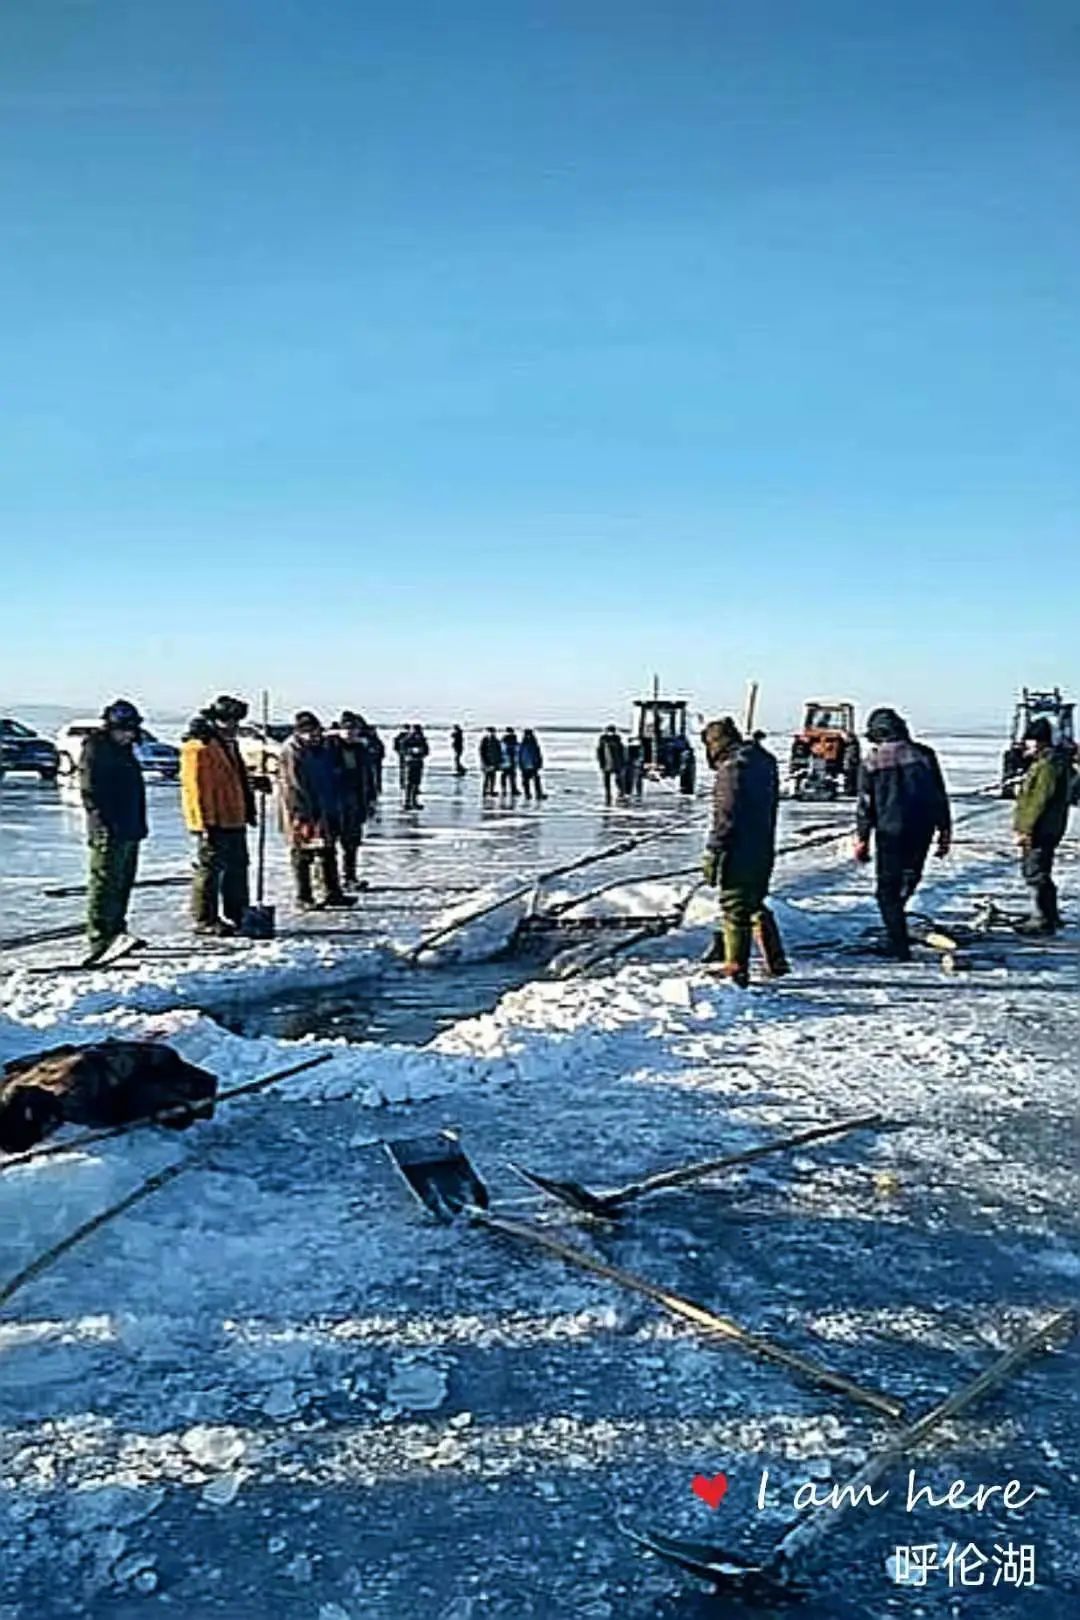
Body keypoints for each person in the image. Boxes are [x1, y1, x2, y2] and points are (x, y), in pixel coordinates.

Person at [854, 707, 951, 960]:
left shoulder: (872, 761)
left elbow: (865, 804)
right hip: (922, 830)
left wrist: (862, 838)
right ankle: (897, 924)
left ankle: (897, 940)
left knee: (887, 890)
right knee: (909, 878)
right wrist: (945, 831)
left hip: (890, 832)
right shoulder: (924, 755)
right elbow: (939, 795)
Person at [700, 717, 788, 987]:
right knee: (754, 901)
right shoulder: (763, 761)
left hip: (739, 847)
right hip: (763, 842)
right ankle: (775, 960)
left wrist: (715, 849)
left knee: (735, 906)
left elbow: (726, 815)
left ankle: (736, 967)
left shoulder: (732, 768)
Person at [79, 699, 148, 962]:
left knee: (123, 882)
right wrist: (103, 822)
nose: (128, 735)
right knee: (105, 882)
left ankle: (118, 930)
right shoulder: (96, 748)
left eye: (131, 730)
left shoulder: (125, 750)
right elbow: (90, 790)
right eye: (123, 730)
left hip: (130, 826)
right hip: (108, 828)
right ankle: (100, 937)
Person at [181, 695, 257, 935]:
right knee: (210, 870)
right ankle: (205, 918)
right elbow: (195, 789)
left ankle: (238, 912)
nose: (233, 726)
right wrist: (203, 824)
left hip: (234, 816)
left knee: (238, 867)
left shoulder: (229, 744)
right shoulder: (198, 747)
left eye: (236, 721)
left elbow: (233, 778)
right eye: (227, 720)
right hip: (213, 821)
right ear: (214, 720)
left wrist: (254, 784)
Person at [278, 712, 352, 909]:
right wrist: (303, 812)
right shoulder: (292, 750)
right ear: (299, 732)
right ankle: (304, 896)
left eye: (316, 732)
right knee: (303, 853)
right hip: (302, 811)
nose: (313, 736)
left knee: (328, 850)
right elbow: (294, 785)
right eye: (308, 733)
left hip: (325, 806)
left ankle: (332, 892)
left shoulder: (322, 748)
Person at [1013, 717, 1074, 934]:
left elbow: (1039, 800)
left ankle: (1042, 919)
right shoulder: (1049, 762)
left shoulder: (1047, 766)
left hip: (1041, 829)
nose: (1026, 745)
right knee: (1041, 870)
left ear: (1040, 742)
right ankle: (1049, 915)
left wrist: (1026, 829)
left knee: (1035, 872)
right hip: (1048, 827)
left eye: (1030, 740)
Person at [331, 712, 374, 889]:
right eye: (346, 729)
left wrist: (370, 799)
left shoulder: (361, 750)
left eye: (353, 729)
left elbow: (367, 777)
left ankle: (349, 876)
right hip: (334, 804)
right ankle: (331, 881)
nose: (350, 732)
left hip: (355, 803)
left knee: (351, 843)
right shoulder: (329, 749)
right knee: (328, 846)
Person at [402, 723, 429, 810]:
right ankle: (407, 802)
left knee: (416, 783)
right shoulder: (407, 739)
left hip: (417, 762)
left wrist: (420, 753)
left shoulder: (422, 740)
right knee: (410, 783)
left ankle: (413, 802)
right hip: (410, 762)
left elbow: (426, 751)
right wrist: (410, 753)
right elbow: (402, 749)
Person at [597, 726, 626, 805]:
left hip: (616, 763)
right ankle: (608, 794)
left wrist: (622, 763)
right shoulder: (603, 741)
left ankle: (621, 793)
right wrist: (601, 764)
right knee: (608, 781)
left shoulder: (617, 740)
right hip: (607, 764)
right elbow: (600, 753)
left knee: (618, 780)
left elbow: (622, 752)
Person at [518, 728, 546, 800]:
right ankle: (528, 794)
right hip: (526, 765)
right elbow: (520, 756)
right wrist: (521, 765)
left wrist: (539, 763)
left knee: (535, 781)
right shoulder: (524, 745)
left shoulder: (532, 744)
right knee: (527, 781)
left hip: (532, 765)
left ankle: (537, 794)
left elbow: (538, 755)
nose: (528, 736)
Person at [479, 727, 502, 799]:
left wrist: (498, 762)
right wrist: (484, 762)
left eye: (493, 732)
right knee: (486, 778)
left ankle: (491, 791)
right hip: (487, 763)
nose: (492, 733)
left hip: (494, 762)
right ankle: (484, 791)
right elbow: (482, 752)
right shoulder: (485, 740)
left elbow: (499, 752)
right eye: (490, 732)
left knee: (493, 778)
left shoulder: (496, 741)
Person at [500, 727, 520, 799]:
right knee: (511, 776)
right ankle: (512, 789)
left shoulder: (504, 740)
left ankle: (504, 790)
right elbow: (517, 750)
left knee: (505, 776)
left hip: (506, 761)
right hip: (511, 760)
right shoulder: (514, 740)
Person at [392, 726, 410, 798]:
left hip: (403, 755)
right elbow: (395, 747)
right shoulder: (400, 737)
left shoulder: (402, 737)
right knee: (403, 769)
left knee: (403, 769)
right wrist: (400, 752)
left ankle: (403, 783)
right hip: (403, 755)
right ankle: (403, 783)